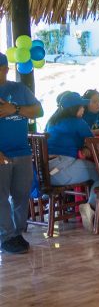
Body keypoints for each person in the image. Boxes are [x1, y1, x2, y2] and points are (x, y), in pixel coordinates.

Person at [0, 53, 43, 254]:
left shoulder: (19, 89)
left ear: (6, 69)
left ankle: (17, 233)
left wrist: (15, 109)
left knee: (21, 195)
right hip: (2, 154)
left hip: (22, 151)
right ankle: (7, 237)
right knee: (1, 197)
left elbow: (38, 111)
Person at [45, 91, 99, 193]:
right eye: (81, 106)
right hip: (62, 171)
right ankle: (93, 202)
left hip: (45, 174)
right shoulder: (77, 122)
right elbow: (93, 143)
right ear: (74, 108)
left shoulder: (51, 121)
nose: (83, 109)